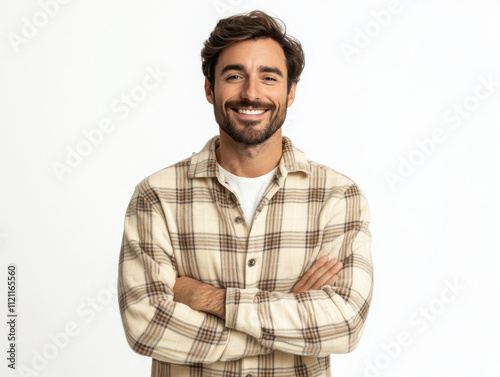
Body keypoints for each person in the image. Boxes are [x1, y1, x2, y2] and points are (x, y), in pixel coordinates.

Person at [118, 10, 373, 377]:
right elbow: (146, 327)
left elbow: (346, 324)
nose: (251, 93)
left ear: (291, 92)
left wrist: (212, 300)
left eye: (268, 77)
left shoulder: (337, 197)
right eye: (234, 76)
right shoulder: (157, 197)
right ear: (209, 89)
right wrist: (289, 321)